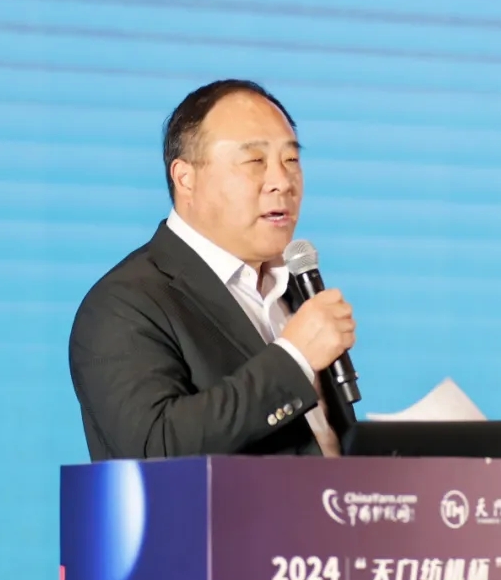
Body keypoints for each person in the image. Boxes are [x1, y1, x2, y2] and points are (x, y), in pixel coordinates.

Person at [68, 79, 357, 461]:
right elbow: (155, 448)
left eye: (291, 160)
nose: (282, 182)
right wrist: (294, 359)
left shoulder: (292, 290)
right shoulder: (123, 304)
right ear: (185, 178)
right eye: (255, 161)